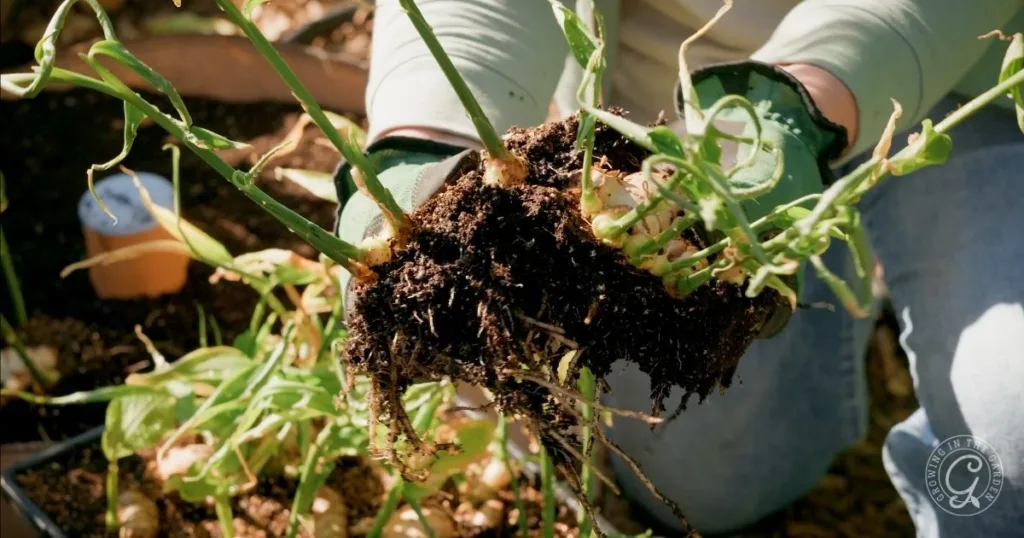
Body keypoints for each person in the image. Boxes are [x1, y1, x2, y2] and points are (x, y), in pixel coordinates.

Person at [336, 1, 1024, 536]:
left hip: (968, 89)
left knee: (1011, 426)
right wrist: (428, 133)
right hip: (667, 117)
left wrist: (801, 100)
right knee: (716, 484)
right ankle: (842, 312)